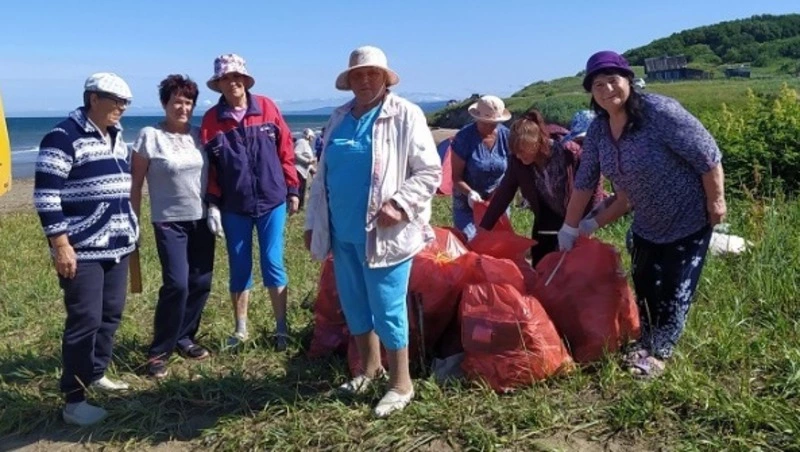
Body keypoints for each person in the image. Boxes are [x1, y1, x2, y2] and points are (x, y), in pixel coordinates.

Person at [559, 50, 726, 378]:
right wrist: (572, 226)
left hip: (688, 216)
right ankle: (646, 341)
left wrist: (716, 202)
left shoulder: (658, 112)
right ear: (591, 93)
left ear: (629, 81)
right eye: (598, 85)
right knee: (646, 284)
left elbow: (707, 155)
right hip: (647, 221)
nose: (607, 90)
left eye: (613, 80)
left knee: (674, 289)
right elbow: (584, 182)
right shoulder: (598, 131)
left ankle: (661, 353)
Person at [303, 45, 441, 417]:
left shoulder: (405, 114)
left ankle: (401, 383)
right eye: (358, 75)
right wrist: (314, 223)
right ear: (349, 81)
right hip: (342, 232)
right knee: (354, 303)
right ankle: (369, 369)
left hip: (385, 234)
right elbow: (322, 178)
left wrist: (400, 204)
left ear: (384, 77)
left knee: (387, 306)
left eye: (372, 74)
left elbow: (430, 171)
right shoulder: (338, 117)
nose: (364, 80)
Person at [33, 73, 138, 426]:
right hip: (82, 250)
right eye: (116, 100)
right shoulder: (63, 137)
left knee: (110, 315)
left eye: (127, 102)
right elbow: (46, 196)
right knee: (85, 320)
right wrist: (60, 244)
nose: (122, 107)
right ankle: (74, 400)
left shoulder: (117, 137)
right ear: (94, 98)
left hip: (118, 246)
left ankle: (96, 373)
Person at [200, 54, 300, 351]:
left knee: (272, 261)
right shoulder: (211, 121)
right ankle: (240, 329)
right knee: (239, 265)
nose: (232, 83)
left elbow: (286, 150)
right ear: (218, 85)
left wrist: (293, 188)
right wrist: (213, 204)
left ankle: (281, 328)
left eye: (236, 77)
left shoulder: (268, 107)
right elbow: (212, 168)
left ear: (245, 80)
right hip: (234, 206)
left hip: (272, 199)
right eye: (225, 79)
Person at [130, 75, 215, 379]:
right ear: (165, 103)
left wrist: (215, 207)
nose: (183, 107)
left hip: (202, 218)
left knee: (201, 282)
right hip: (168, 221)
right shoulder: (148, 136)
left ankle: (185, 337)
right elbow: (136, 183)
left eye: (188, 101)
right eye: (177, 100)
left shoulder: (199, 135)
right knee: (177, 284)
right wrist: (133, 220)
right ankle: (158, 351)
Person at [479, 109, 599, 265]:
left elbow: (593, 185)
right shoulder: (518, 161)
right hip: (546, 215)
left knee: (574, 265)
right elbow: (504, 193)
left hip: (575, 215)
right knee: (542, 262)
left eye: (523, 152)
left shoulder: (569, 152)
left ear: (538, 142)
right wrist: (484, 228)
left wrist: (588, 222)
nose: (520, 157)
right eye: (516, 154)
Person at [450, 95, 511, 240]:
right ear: (477, 119)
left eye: (494, 123)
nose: (490, 126)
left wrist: (502, 190)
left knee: (499, 241)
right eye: (486, 123)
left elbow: (511, 171)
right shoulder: (463, 138)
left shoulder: (506, 137)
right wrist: (470, 193)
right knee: (472, 239)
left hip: (497, 198)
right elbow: (456, 177)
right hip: (467, 200)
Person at [293, 128, 317, 210]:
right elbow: (296, 153)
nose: (312, 138)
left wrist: (312, 169)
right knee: (299, 190)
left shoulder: (307, 145)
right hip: (298, 170)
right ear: (308, 135)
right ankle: (296, 208)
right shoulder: (301, 142)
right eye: (312, 136)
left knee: (303, 190)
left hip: (304, 171)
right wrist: (308, 161)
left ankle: (301, 207)